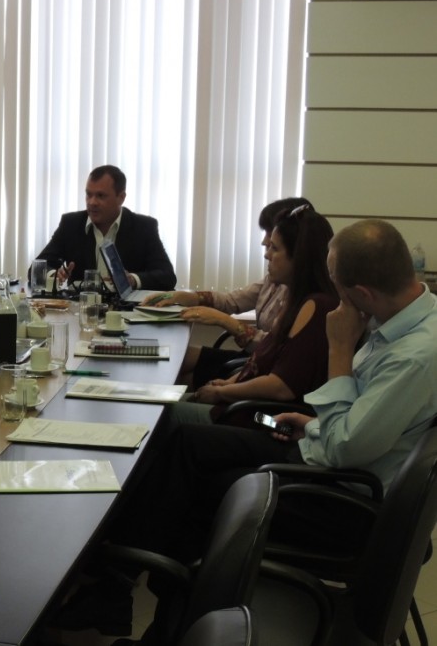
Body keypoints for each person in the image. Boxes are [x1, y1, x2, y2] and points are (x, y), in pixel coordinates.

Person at [61, 220, 437, 641]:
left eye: (343, 293)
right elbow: (360, 422)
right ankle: (125, 593)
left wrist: (340, 349)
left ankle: (136, 604)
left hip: (344, 500)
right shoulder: (400, 322)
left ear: (364, 294)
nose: (340, 304)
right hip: (324, 454)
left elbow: (345, 449)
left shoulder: (413, 356)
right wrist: (313, 424)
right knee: (186, 447)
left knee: (199, 492)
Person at [166, 206, 338, 426]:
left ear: (299, 257)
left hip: (260, 420)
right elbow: (263, 359)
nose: (267, 254)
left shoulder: (316, 307)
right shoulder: (295, 300)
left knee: (160, 416)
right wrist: (230, 384)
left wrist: (223, 393)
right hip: (244, 407)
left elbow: (281, 387)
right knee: (163, 405)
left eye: (275, 248)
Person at [142, 197, 312, 388]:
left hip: (260, 367)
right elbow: (232, 301)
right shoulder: (274, 280)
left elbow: (273, 350)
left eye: (270, 235)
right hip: (253, 358)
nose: (264, 243)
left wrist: (224, 321)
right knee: (175, 355)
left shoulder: (305, 297)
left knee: (179, 375)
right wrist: (187, 297)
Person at [35, 165, 176, 290]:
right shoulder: (71, 224)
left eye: (100, 196)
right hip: (81, 308)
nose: (92, 202)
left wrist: (133, 280)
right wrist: (54, 275)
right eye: (88, 194)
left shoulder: (143, 227)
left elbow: (167, 276)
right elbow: (36, 268)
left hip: (125, 309)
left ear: (121, 197)